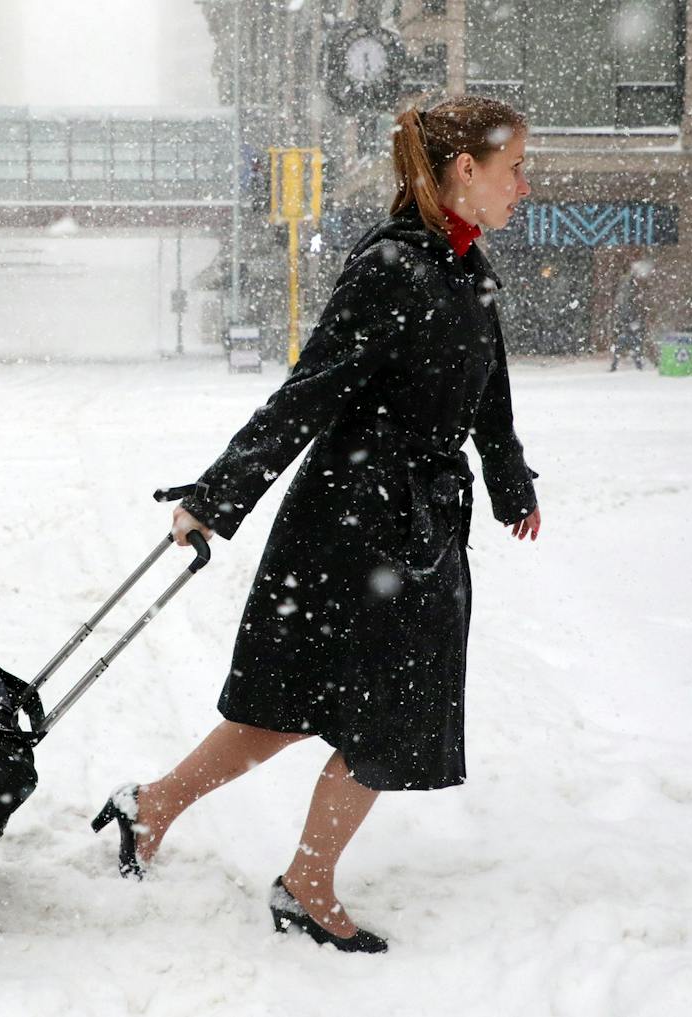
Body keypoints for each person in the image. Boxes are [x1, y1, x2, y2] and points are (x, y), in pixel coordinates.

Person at [91, 96, 542, 954]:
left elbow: (491, 394)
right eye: (514, 166)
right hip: (352, 527)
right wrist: (218, 499)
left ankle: (148, 807)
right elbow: (309, 391)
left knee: (333, 710)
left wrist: (510, 482)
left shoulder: (469, 269)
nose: (525, 183)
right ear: (464, 172)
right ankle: (304, 885)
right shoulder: (391, 268)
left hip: (418, 532)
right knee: (345, 714)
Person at [611, 262, 648, 371]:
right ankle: (637, 364)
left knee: (625, 344)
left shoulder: (625, 286)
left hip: (627, 321)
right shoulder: (627, 285)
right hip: (629, 321)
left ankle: (617, 365)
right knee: (632, 343)